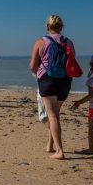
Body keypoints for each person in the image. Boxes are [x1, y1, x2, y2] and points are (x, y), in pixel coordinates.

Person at [29, 14, 75, 160]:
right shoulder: (69, 42)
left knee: (52, 115)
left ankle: (60, 151)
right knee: (55, 114)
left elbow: (32, 66)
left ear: (47, 27)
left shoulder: (40, 42)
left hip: (47, 79)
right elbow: (71, 63)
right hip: (65, 81)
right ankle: (50, 144)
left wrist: (37, 72)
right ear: (61, 27)